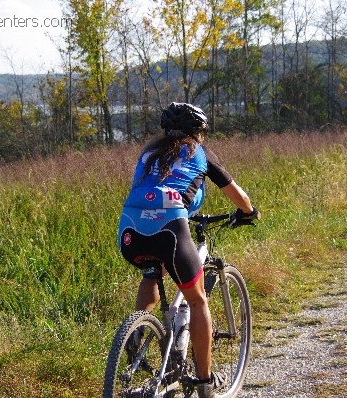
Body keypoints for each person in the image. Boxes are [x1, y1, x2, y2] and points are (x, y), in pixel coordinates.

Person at [117, 102, 259, 398]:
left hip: (130, 230)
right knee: (197, 301)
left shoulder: (148, 154)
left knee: (152, 274)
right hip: (171, 228)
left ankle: (136, 337)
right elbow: (238, 196)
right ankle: (205, 382)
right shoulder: (201, 153)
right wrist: (249, 212)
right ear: (198, 131)